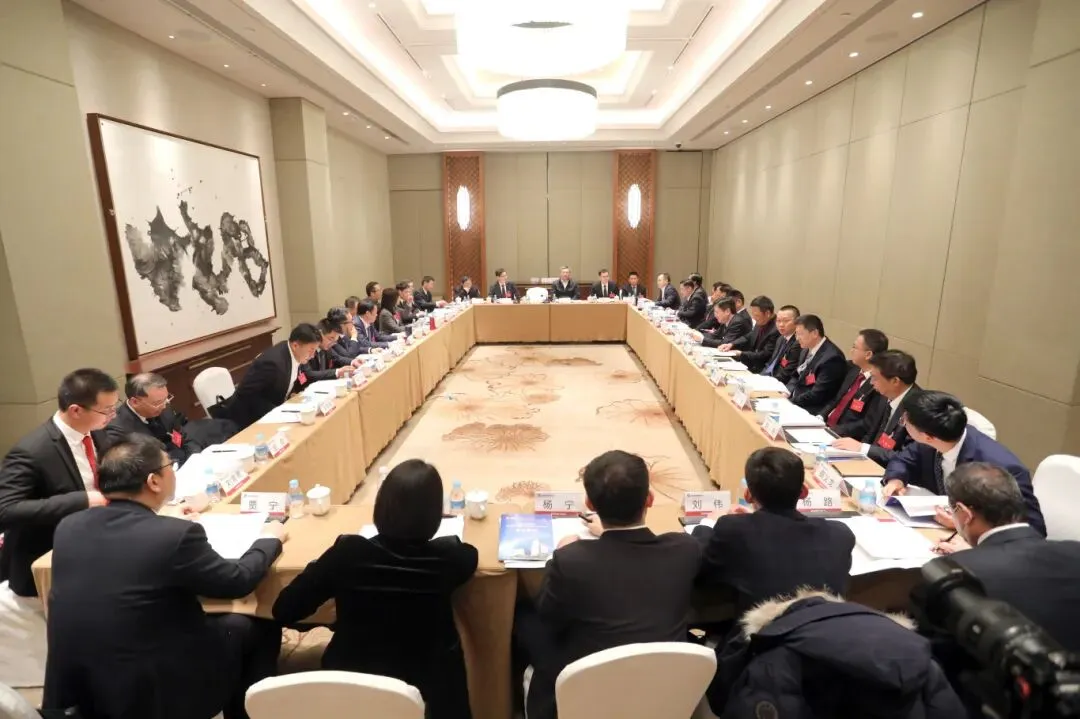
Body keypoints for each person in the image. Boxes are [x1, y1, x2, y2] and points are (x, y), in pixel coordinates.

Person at [42, 435, 285, 719]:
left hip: (80, 688)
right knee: (259, 624)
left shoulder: (69, 527)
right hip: (151, 690)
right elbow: (237, 582)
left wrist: (166, 524)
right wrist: (269, 539)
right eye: (170, 465)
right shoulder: (174, 536)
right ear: (154, 482)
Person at [273, 459, 476, 719]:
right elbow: (470, 554)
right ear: (435, 515)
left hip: (353, 685)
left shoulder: (348, 553)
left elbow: (285, 609)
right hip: (428, 690)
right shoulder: (448, 559)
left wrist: (323, 569)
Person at [518, 450, 700, 719]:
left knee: (525, 618)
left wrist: (562, 552)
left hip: (588, 689)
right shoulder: (685, 549)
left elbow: (549, 616)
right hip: (663, 688)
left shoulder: (570, 560)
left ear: (589, 504)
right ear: (650, 499)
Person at [693, 447, 855, 616]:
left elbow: (699, 567)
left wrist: (708, 523)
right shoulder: (840, 535)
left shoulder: (732, 530)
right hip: (826, 626)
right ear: (804, 492)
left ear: (748, 495)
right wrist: (755, 520)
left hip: (763, 630)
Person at [0, 368, 117, 599]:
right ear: (76, 410)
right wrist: (82, 500)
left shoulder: (96, 432)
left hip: (97, 541)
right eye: (106, 410)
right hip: (50, 561)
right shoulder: (32, 451)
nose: (112, 415)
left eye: (114, 407)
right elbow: (5, 509)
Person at [882, 391, 1046, 535]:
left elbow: (1033, 529)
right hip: (936, 531)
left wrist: (964, 525)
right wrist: (896, 479)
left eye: (905, 421)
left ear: (928, 436)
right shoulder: (931, 441)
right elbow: (903, 459)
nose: (903, 424)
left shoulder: (1002, 468)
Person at [222, 323, 320, 430]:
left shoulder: (294, 353)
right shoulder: (272, 363)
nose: (313, 355)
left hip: (276, 411)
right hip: (248, 420)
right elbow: (246, 395)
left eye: (315, 350)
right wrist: (278, 411)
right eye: (311, 350)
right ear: (295, 345)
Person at [831, 350, 920, 466]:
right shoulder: (884, 395)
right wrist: (857, 456)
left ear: (895, 381)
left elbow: (906, 457)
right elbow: (870, 429)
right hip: (869, 462)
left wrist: (863, 448)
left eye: (875, 378)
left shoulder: (918, 410)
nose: (871, 382)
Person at [103, 373, 205, 466]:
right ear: (135, 402)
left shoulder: (164, 407)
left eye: (166, 398)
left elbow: (183, 438)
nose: (164, 406)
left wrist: (195, 459)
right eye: (157, 403)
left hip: (182, 462)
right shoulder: (118, 429)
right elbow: (135, 467)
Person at [817, 329, 889, 439]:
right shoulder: (852, 368)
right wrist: (821, 416)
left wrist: (835, 430)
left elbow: (866, 423)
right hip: (824, 426)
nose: (851, 351)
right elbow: (837, 399)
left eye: (855, 347)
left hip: (845, 436)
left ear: (868, 354)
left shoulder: (879, 384)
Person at [786, 314, 847, 415]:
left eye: (800, 334)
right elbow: (797, 375)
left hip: (811, 409)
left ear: (814, 333)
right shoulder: (806, 348)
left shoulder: (832, 358)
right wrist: (786, 392)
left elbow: (817, 395)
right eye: (796, 334)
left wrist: (790, 402)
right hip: (796, 399)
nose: (797, 338)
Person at [724, 295, 779, 372]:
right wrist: (732, 344)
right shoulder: (762, 321)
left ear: (767, 313)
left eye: (756, 315)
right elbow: (749, 336)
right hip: (750, 363)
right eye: (752, 314)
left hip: (762, 368)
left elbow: (765, 354)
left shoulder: (776, 329)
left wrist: (741, 353)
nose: (753, 318)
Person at [758, 304, 802, 385]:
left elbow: (786, 374)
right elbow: (770, 363)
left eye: (786, 321)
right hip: (768, 376)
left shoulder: (798, 343)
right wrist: (759, 377)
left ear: (797, 322)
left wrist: (766, 383)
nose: (781, 325)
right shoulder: (780, 338)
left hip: (778, 383)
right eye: (778, 321)